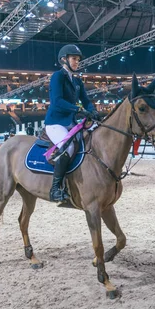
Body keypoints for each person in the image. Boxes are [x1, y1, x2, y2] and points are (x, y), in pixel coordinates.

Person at [45, 44, 100, 202]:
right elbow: (57, 101)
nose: (77, 62)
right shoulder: (58, 76)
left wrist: (92, 110)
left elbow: (86, 100)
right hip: (56, 123)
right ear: (64, 59)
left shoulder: (77, 81)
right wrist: (78, 110)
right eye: (74, 59)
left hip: (71, 123)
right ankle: (55, 189)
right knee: (68, 147)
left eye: (78, 60)